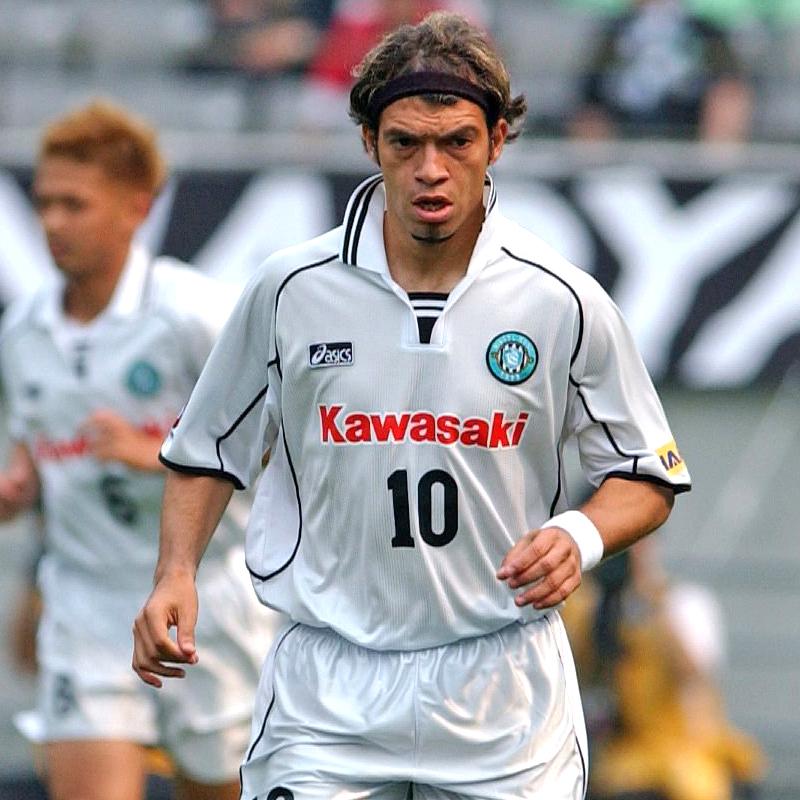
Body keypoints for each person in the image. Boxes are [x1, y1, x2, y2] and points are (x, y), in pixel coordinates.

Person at [133, 11, 691, 798]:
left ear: (497, 141)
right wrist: (175, 572)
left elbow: (647, 472)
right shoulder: (290, 290)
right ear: (370, 143)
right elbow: (207, 449)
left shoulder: (562, 299)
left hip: (502, 691)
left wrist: (581, 534)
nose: (431, 168)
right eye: (405, 143)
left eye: (457, 142)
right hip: (328, 688)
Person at [0, 100, 280, 800]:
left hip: (208, 600)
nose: (52, 222)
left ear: (135, 208)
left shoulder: (194, 312)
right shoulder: (22, 330)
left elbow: (278, 446)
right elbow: (37, 444)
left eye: (74, 204)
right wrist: (20, 486)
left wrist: (157, 453)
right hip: (85, 602)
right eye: (44, 203)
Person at [569, 0, 752, 142]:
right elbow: (590, 93)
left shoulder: (705, 31)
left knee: (729, 98)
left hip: (691, 127)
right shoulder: (614, 32)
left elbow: (731, 83)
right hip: (623, 132)